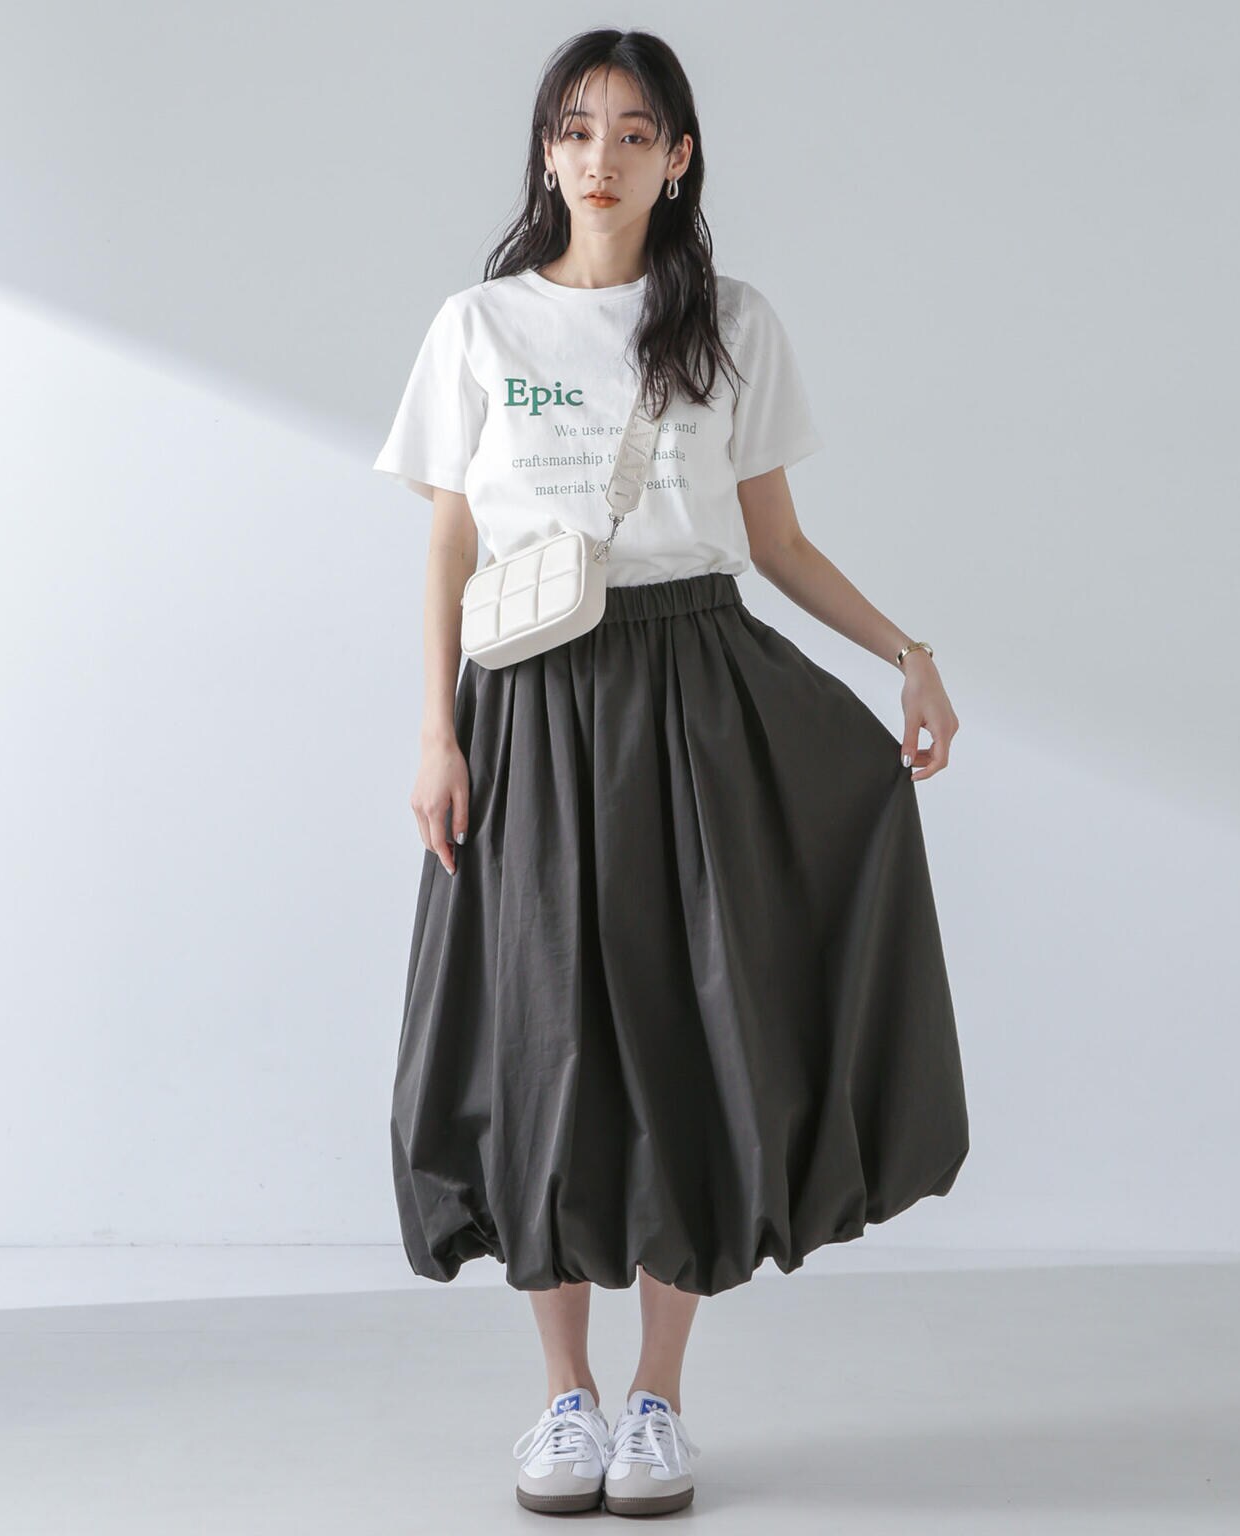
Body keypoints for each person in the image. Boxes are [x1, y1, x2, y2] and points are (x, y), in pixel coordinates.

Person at [372, 27, 969, 1519]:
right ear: (547, 150)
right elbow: (450, 539)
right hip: (530, 705)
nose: (602, 158)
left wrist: (907, 652)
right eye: (577, 129)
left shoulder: (732, 322)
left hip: (695, 694)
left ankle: (658, 1401)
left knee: (690, 1038)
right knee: (542, 1043)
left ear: (679, 158)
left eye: (635, 133)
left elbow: (776, 544)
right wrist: (436, 731)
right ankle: (562, 1400)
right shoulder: (479, 326)